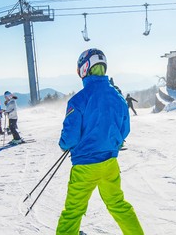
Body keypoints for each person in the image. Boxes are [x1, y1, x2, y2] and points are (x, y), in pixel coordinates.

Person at [57, 48, 144, 235]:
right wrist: (113, 144)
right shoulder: (118, 97)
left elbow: (70, 138)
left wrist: (65, 144)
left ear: (84, 68)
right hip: (110, 163)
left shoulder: (78, 100)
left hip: (85, 166)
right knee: (118, 204)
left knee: (73, 212)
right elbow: (124, 129)